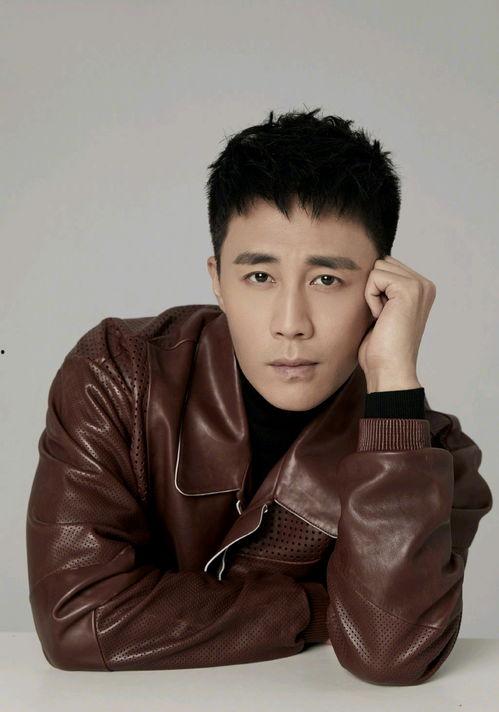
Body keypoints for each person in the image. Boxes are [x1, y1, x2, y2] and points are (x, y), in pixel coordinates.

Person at [26, 107, 493, 683]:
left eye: (327, 279)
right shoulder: (118, 375)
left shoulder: (431, 459)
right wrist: (315, 610)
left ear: (380, 291)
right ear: (217, 280)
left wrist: (394, 380)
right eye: (259, 277)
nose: (291, 323)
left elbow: (390, 651)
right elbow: (80, 621)